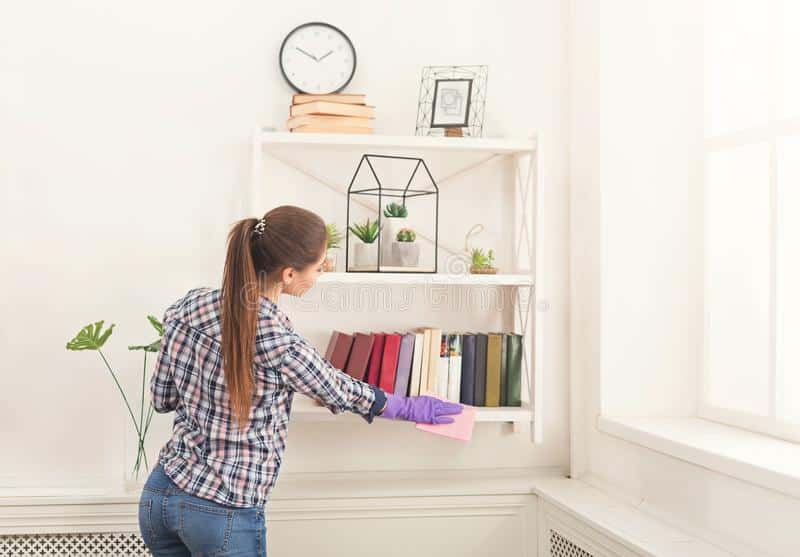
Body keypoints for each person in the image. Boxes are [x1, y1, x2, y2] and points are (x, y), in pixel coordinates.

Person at [138, 205, 463, 556]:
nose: (321, 272)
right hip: (222, 511)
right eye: (319, 265)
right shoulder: (276, 338)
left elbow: (162, 399)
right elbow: (337, 388)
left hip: (161, 496)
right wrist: (407, 407)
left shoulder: (189, 306)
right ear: (289, 274)